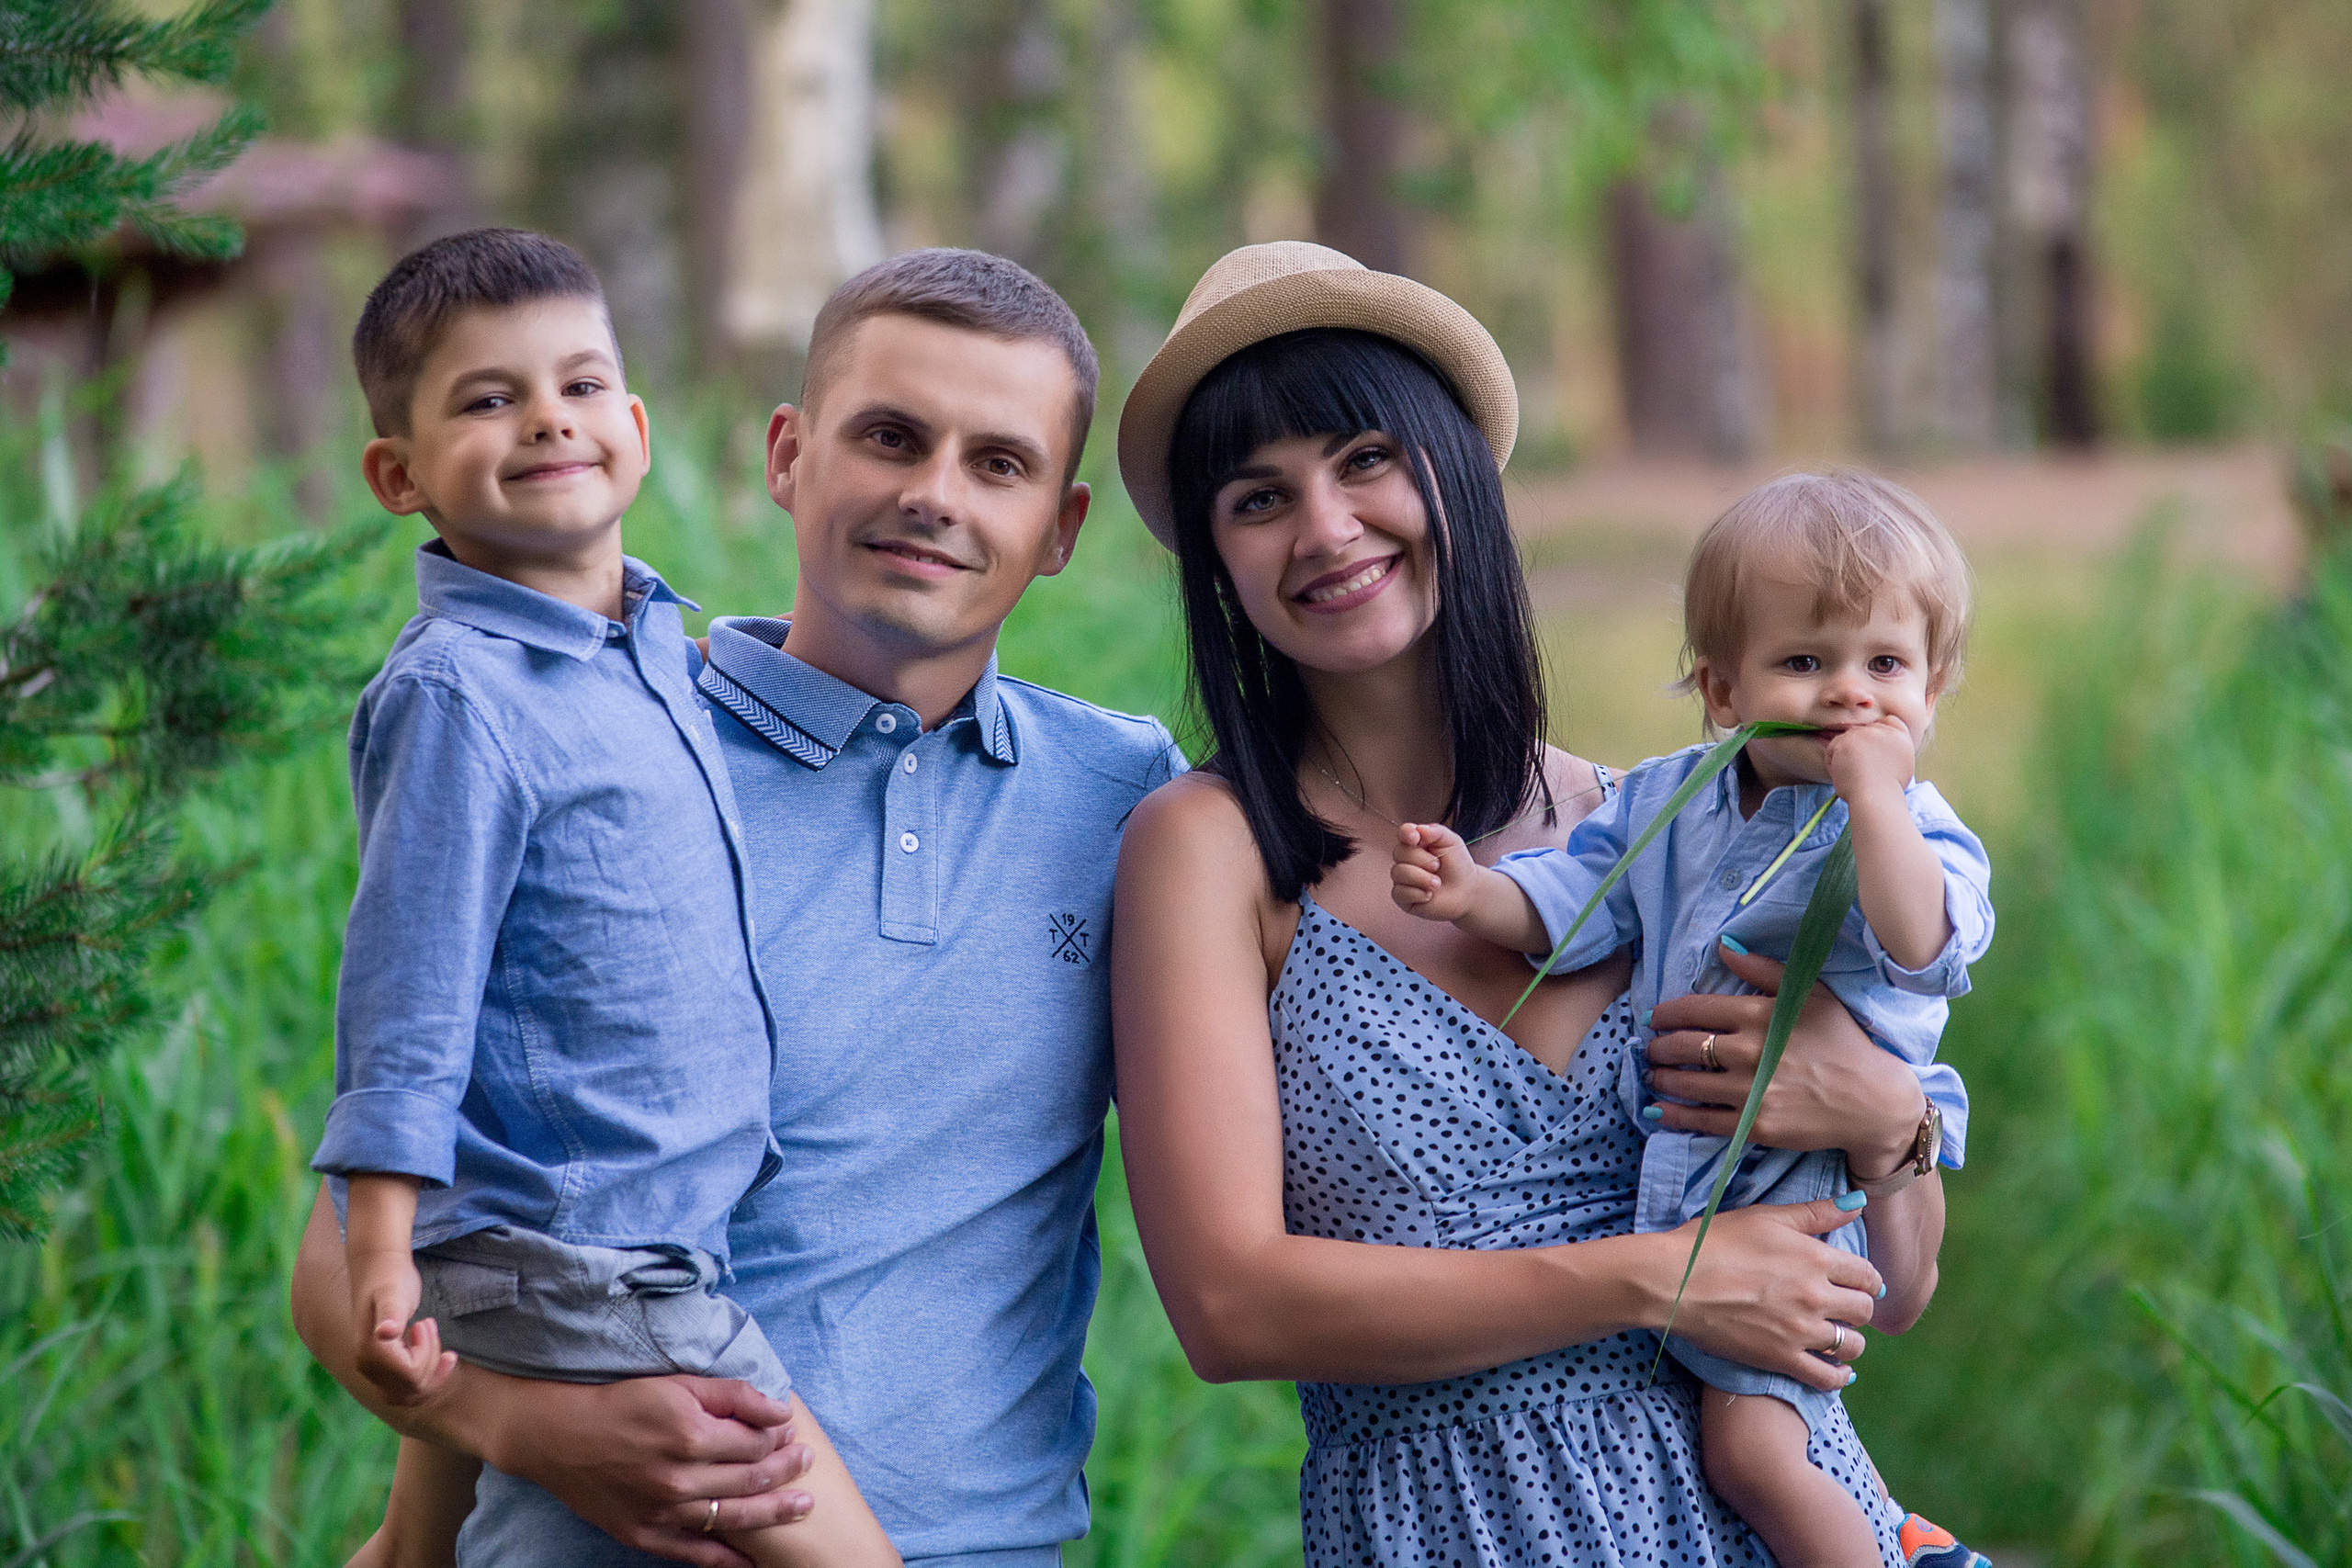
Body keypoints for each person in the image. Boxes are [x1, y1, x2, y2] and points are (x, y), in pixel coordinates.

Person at [292, 247, 1185, 1568]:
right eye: (890, 436)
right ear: (787, 455)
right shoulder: (600, 760)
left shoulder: (1130, 798)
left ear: (1060, 528)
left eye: (997, 463)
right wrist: (527, 1430)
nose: (933, 494)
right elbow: (355, 1257)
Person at [1110, 242, 1970, 1565]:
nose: (1328, 527)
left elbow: (1889, 1296)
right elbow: (1230, 1304)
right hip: (1459, 1521)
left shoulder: (1671, 829)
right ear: (1216, 558)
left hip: (1778, 1511)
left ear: (1451, 474)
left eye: (1364, 458)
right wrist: (1658, 1278)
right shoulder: (1207, 851)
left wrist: (1887, 1115)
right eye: (1257, 496)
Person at [317, 227, 897, 1568]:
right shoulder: (460, 692)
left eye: (579, 386)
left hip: (602, 1219)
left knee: (416, 1551)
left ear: (633, 426)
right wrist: (383, 1251)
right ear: (397, 474)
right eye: (486, 397)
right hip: (606, 1254)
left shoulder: (654, 652)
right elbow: (407, 990)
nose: (545, 421)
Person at [1391, 469, 1995, 1566]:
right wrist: (1473, 895)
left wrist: (1870, 801)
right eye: (1804, 663)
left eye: (1885, 665)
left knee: (1754, 1454)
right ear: (1722, 691)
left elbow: (1922, 944)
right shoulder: (1671, 798)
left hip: (1810, 1178)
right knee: (1715, 1426)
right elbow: (1576, 899)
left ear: (1932, 689)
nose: (1848, 695)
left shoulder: (1912, 825)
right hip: (1694, 1165)